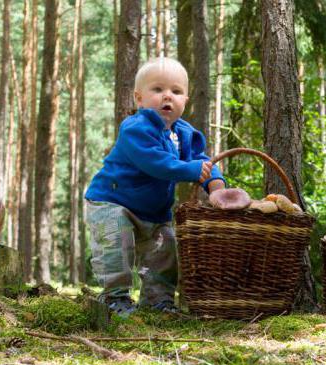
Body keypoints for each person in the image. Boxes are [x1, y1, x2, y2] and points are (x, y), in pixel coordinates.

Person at [85, 57, 225, 316]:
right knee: (115, 245)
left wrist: (215, 185)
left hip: (154, 211)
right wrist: (191, 170)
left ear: (186, 100)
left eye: (176, 91)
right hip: (112, 202)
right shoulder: (136, 128)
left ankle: (158, 301)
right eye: (158, 90)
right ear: (139, 98)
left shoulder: (185, 133)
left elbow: (201, 160)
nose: (167, 97)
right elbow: (157, 163)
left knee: (165, 251)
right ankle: (115, 298)